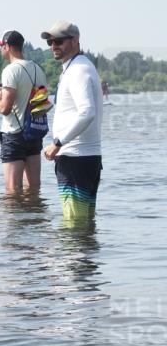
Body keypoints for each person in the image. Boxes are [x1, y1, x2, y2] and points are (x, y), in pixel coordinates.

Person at [40, 21, 103, 223]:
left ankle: (72, 256)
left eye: (58, 41)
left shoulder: (78, 70)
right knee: (84, 225)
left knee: (74, 226)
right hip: (84, 158)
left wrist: (58, 143)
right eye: (50, 42)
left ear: (74, 41)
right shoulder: (79, 67)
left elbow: (87, 112)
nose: (53, 46)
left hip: (76, 158)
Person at [0, 30, 48, 193]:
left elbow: (5, 109)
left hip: (14, 135)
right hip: (33, 132)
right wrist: (2, 94)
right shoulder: (38, 69)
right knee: (33, 189)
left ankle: (15, 219)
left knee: (12, 192)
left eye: (0, 46)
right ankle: (33, 217)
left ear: (7, 46)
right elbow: (34, 100)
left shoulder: (10, 70)